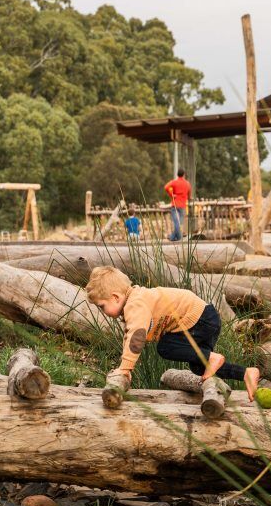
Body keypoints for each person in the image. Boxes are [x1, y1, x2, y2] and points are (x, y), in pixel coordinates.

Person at [85, 266, 261, 400]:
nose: (103, 311)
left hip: (198, 319)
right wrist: (125, 368)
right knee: (199, 366)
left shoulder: (135, 303)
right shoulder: (135, 301)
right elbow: (128, 336)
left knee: (166, 347)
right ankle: (245, 373)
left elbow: (136, 337)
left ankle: (213, 358)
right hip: (204, 318)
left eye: (102, 306)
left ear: (116, 297)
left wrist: (125, 368)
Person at [164, 169, 191, 241]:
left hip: (175, 205)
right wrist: (189, 198)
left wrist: (172, 194)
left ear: (177, 175)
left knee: (176, 222)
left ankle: (173, 237)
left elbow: (166, 187)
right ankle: (177, 238)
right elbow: (189, 195)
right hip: (182, 205)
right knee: (179, 223)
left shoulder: (174, 182)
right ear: (184, 174)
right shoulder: (187, 183)